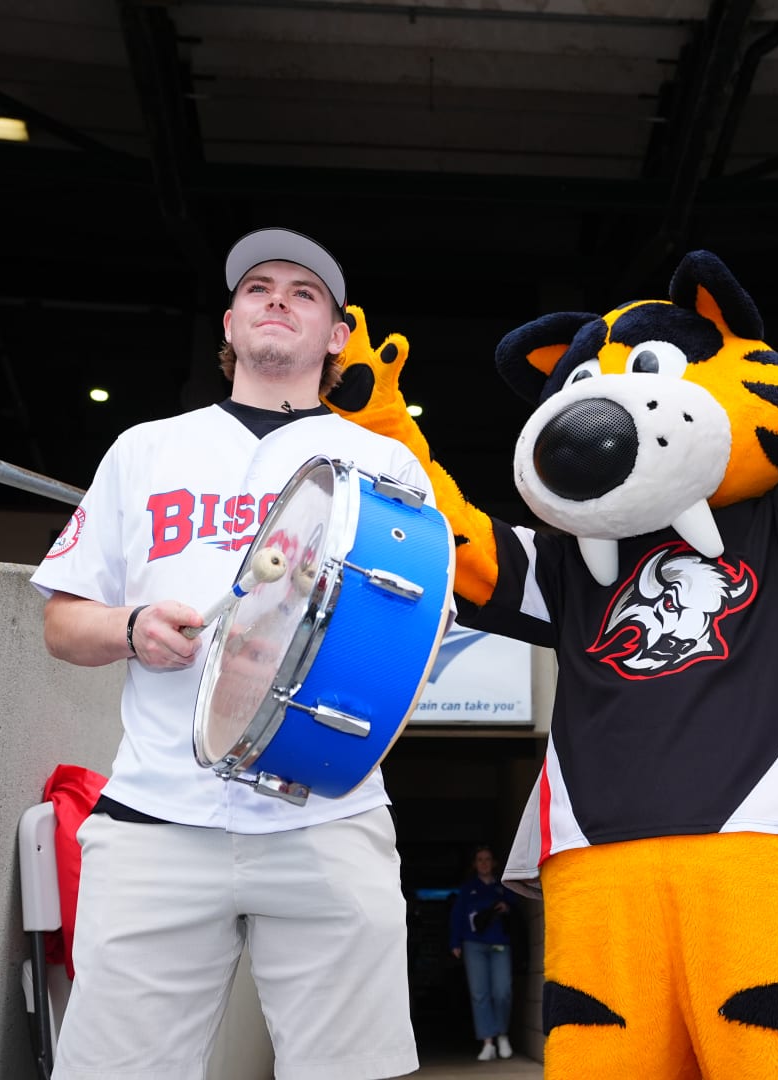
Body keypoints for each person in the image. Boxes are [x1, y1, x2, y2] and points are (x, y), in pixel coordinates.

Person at [30, 227, 428, 1080]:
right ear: (229, 322)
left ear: (337, 336)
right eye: (258, 287)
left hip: (325, 813)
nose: (277, 298)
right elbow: (62, 623)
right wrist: (132, 627)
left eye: (304, 291)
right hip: (155, 817)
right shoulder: (146, 448)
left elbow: (413, 637)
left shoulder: (384, 463)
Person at [448, 846, 524, 1062]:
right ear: (474, 864)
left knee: (502, 991)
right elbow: (457, 916)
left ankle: (502, 1035)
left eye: (487, 859)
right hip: (473, 944)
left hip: (500, 942)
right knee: (479, 993)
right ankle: (488, 1042)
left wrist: (506, 907)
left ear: (494, 863)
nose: (483, 863)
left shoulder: (503, 886)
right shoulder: (468, 888)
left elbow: (516, 906)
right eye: (479, 859)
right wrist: (455, 942)